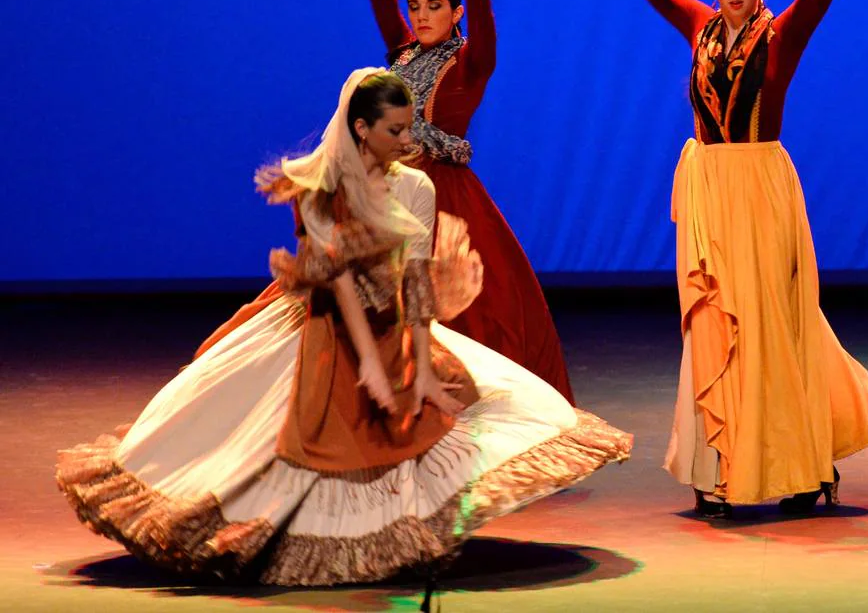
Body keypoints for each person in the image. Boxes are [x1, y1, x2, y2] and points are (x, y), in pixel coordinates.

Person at [56, 69, 632, 584]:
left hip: (394, 317)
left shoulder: (418, 186)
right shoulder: (320, 189)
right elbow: (339, 289)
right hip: (324, 323)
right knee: (282, 437)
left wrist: (422, 363)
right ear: (361, 129)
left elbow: (416, 281)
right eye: (395, 131)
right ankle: (281, 534)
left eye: (411, 128)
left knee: (490, 407)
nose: (408, 142)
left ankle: (386, 528)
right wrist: (376, 370)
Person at [637, 0, 868, 517]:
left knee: (771, 321)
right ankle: (717, 464)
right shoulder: (701, 27)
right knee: (713, 321)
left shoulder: (782, 32)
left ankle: (799, 461)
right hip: (707, 185)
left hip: (760, 184)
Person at [367, 0, 574, 402]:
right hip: (390, 189)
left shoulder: (470, 62)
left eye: (433, 6)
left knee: (462, 308)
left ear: (455, 14)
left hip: (443, 197)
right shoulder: (405, 52)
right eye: (414, 6)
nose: (420, 15)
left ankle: (453, 410)